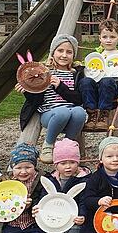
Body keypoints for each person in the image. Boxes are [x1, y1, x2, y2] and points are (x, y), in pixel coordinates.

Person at [17, 34, 86, 164]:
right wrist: (27, 90)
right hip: (50, 113)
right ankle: (48, 145)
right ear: (53, 52)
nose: (64, 55)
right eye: (60, 51)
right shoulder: (44, 71)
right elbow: (35, 96)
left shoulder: (76, 74)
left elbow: (79, 99)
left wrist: (60, 86)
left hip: (72, 112)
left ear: (73, 55)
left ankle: (67, 145)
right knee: (62, 112)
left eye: (69, 52)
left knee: (80, 112)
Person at [32, 138, 90, 233]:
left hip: (72, 221)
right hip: (53, 220)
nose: (68, 166)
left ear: (78, 162)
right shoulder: (51, 180)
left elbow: (84, 201)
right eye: (63, 163)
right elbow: (44, 198)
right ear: (56, 164)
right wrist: (38, 207)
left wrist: (82, 215)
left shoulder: (84, 180)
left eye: (72, 162)